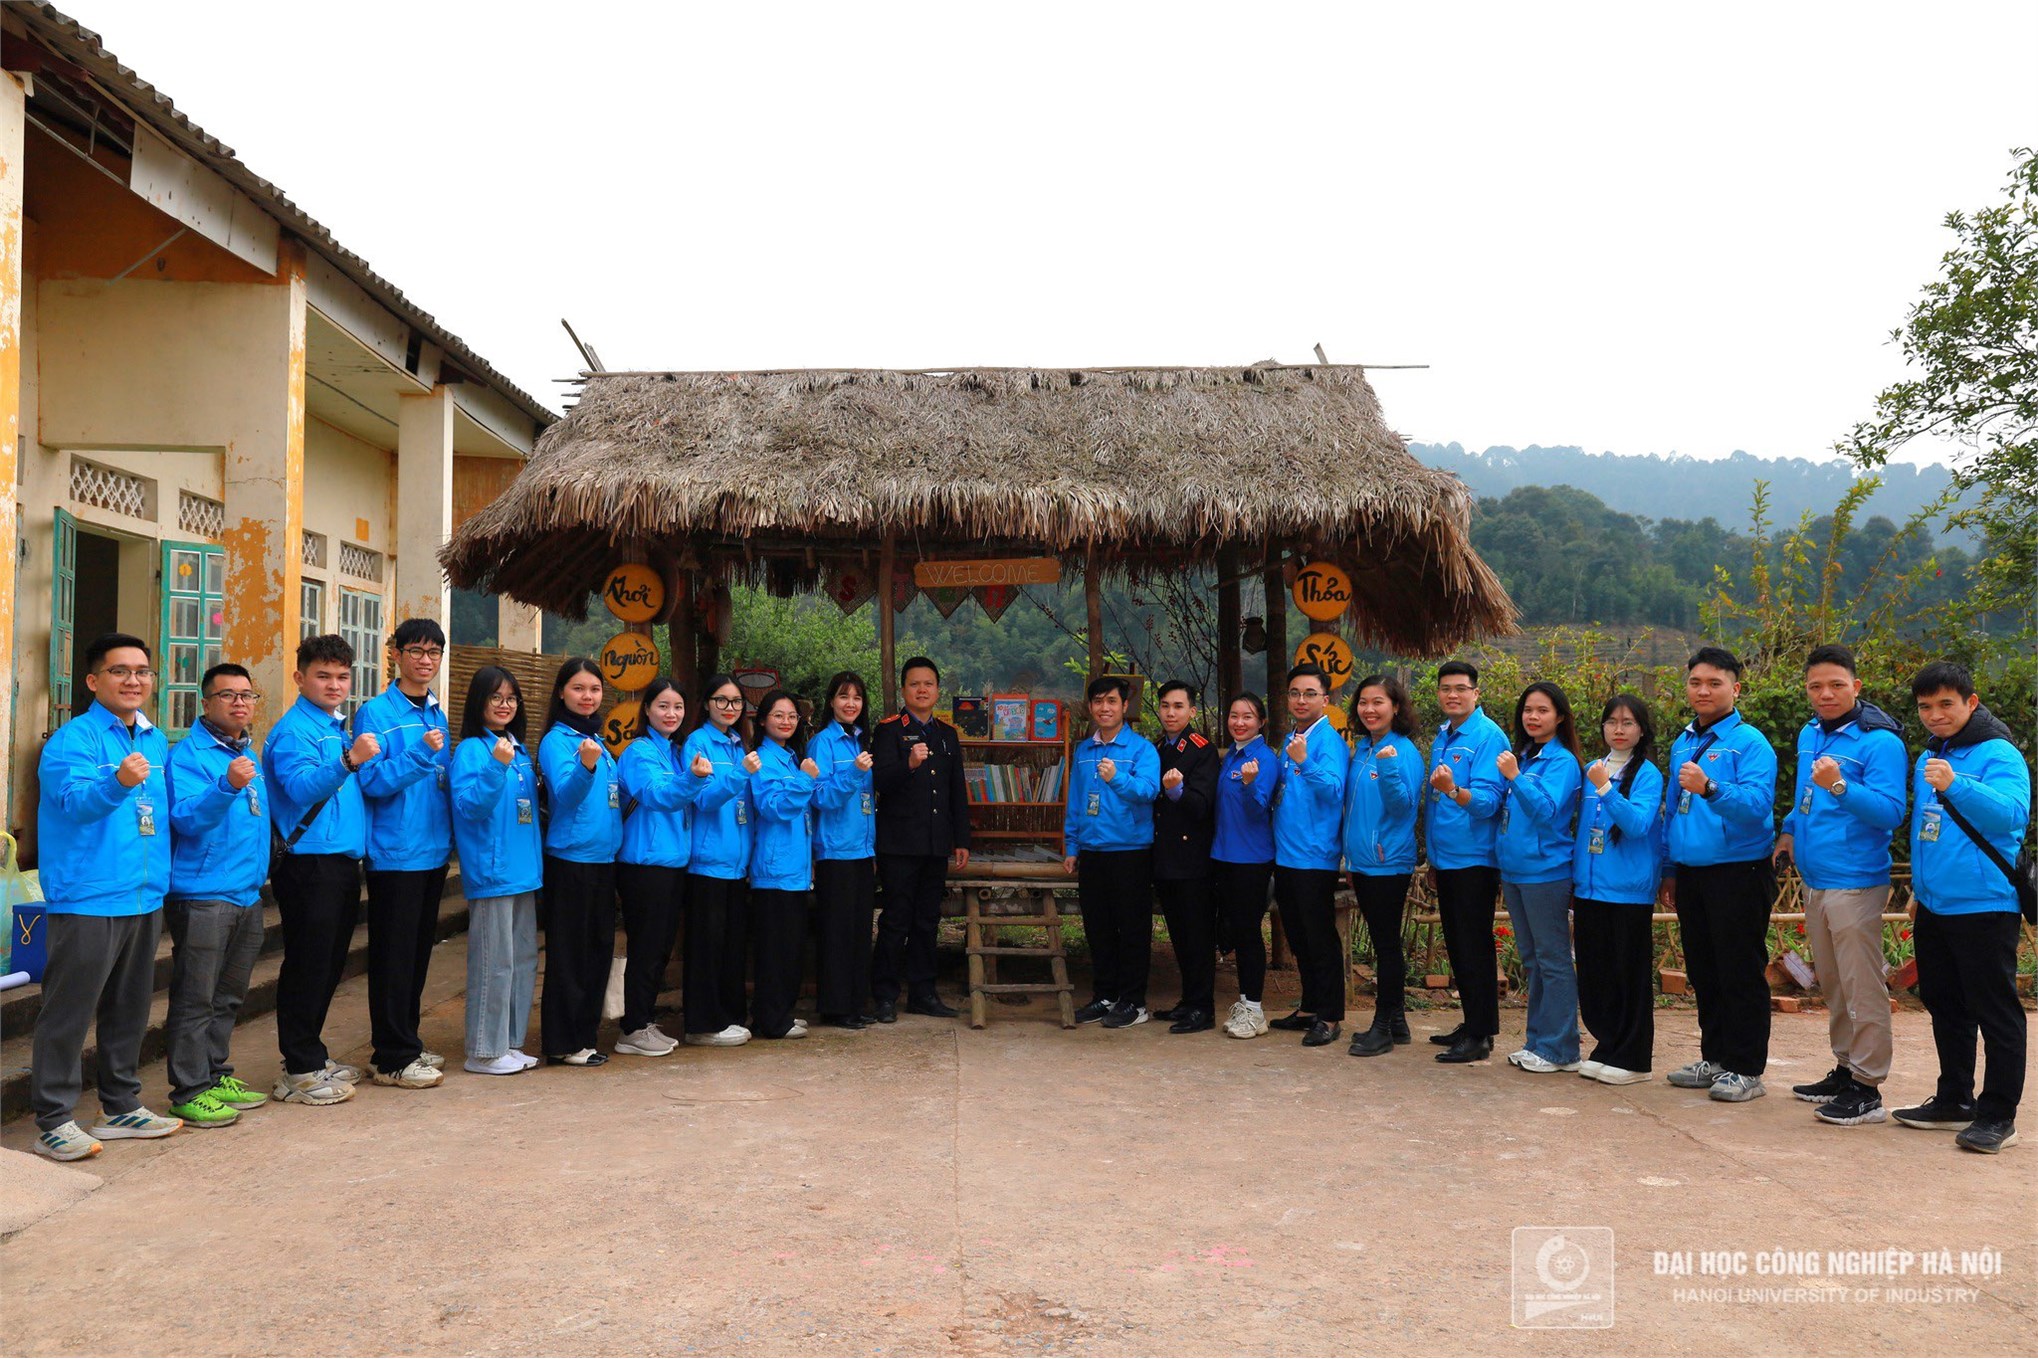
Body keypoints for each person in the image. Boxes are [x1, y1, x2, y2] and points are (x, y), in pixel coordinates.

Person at [30, 633, 183, 1160]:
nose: (134, 680)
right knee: (69, 1012)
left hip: (142, 894)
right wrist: (117, 782)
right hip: (88, 896)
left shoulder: (155, 739)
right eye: (120, 671)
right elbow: (72, 804)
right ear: (95, 681)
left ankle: (120, 1105)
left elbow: (160, 817)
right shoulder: (72, 741)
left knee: (130, 1008)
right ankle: (53, 1118)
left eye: (142, 671)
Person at [1892, 661, 2029, 1154]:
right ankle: (1954, 1100)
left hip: (1985, 905)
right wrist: (1918, 890)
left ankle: (1999, 1117)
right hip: (1935, 904)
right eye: (1925, 707)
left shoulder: (1999, 752)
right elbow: (1930, 831)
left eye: (1946, 704)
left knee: (1996, 1012)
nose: (1935, 715)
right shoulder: (1935, 751)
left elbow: (2012, 816)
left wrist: (1956, 783)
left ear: (1971, 703)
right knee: (1945, 1004)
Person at [1777, 645, 1908, 1126]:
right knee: (1831, 981)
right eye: (1815, 686)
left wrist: (1840, 786)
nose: (1825, 694)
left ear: (1857, 686)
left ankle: (1868, 1087)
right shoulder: (1810, 733)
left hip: (1855, 881)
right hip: (1816, 878)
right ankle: (1845, 1066)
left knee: (1861, 985)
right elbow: (1804, 795)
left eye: (1836, 684)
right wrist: (1789, 830)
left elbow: (1892, 811)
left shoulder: (1880, 742)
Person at [1660, 646, 1780, 1103]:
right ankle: (1716, 1058)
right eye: (1696, 682)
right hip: (1692, 873)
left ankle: (1747, 1067)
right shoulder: (1683, 741)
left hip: (1738, 872)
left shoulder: (1750, 743)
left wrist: (1710, 787)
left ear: (1735, 688)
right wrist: (1670, 868)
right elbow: (1672, 810)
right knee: (1705, 968)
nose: (1704, 690)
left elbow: (1755, 808)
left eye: (1714, 682)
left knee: (1740, 970)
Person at [265, 633, 379, 1105]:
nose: (334, 685)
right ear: (300, 677)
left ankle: (311, 1053)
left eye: (342, 677)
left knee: (328, 963)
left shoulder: (334, 725)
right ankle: (298, 1068)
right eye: (323, 675)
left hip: (338, 862)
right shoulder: (296, 730)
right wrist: (348, 760)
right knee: (308, 964)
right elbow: (298, 788)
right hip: (309, 864)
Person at [161, 663, 272, 1129]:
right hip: (203, 894)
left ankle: (215, 1071)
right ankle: (189, 1089)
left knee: (229, 995)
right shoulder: (188, 756)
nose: (240, 703)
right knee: (195, 996)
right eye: (228, 695)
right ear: (205, 703)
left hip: (245, 892)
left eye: (247, 695)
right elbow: (186, 819)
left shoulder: (249, 752)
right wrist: (226, 784)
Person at [351, 619, 451, 1091]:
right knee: (393, 957)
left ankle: (406, 1039)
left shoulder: (436, 712)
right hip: (395, 853)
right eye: (416, 650)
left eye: (434, 651)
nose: (425, 659)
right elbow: (371, 781)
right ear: (395, 653)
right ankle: (391, 1055)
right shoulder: (375, 713)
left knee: (415, 955)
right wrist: (416, 757)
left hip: (432, 852)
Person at [449, 666, 543, 1076]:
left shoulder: (517, 750)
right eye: (496, 698)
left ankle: (509, 1042)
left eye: (511, 698)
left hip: (524, 871)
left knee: (522, 959)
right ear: (479, 703)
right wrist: (495, 766)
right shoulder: (472, 750)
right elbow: (470, 808)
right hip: (493, 872)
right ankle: (483, 1050)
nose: (505, 705)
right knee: (494, 962)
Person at [1571, 694, 1666, 1086]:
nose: (1619, 730)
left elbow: (1638, 825)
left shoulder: (1647, 774)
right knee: (1596, 974)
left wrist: (1607, 789)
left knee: (1629, 974)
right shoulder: (1594, 768)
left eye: (1627, 723)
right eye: (1611, 722)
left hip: (1627, 891)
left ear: (1641, 729)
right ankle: (1607, 1045)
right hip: (1590, 888)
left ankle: (1634, 1057)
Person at [871, 657, 971, 1022]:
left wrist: (961, 838)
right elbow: (879, 782)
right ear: (903, 690)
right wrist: (908, 764)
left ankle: (923, 994)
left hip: (934, 844)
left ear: (938, 690)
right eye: (915, 684)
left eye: (929, 683)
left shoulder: (947, 734)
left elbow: (955, 790)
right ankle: (884, 996)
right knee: (896, 920)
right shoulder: (888, 731)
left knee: (928, 921)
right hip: (898, 844)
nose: (922, 690)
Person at [1063, 674, 1162, 1028]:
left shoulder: (1142, 750)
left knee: (1132, 929)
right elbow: (1076, 801)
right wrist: (1072, 845)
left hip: (1130, 852)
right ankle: (1104, 997)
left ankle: (1133, 1002)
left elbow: (1149, 791)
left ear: (1124, 707)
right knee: (1098, 928)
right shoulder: (1084, 750)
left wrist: (1116, 778)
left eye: (1112, 702)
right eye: (1098, 702)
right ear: (1090, 707)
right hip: (1092, 852)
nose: (1105, 708)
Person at [537, 657, 623, 1067]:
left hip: (602, 861)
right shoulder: (557, 741)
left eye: (594, 689)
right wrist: (586, 766)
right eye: (578, 689)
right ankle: (561, 1041)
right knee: (569, 955)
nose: (587, 697)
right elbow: (566, 798)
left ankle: (584, 1038)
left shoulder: (598, 740)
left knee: (597, 951)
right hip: (571, 862)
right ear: (561, 693)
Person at [1421, 660, 1507, 1064]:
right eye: (1445, 688)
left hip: (1475, 860)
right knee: (1458, 944)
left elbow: (1489, 802)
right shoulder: (1445, 735)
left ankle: (1481, 1034)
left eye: (1460, 688)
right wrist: (1435, 860)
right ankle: (1472, 1020)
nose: (1452, 695)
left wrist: (1454, 789)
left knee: (1474, 945)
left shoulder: (1487, 736)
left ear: (1476, 692)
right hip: (1449, 859)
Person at [1496, 682, 1584, 1074]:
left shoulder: (1561, 762)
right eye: (1528, 710)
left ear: (1560, 717)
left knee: (1553, 960)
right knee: (1533, 960)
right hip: (1516, 871)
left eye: (1542, 710)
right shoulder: (1527, 758)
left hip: (1545, 872)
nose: (1533, 717)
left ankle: (1560, 1049)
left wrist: (1516, 777)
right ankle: (1538, 1041)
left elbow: (1546, 811)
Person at [614, 677, 704, 1057]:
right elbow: (657, 795)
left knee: (660, 947)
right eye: (663, 706)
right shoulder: (639, 752)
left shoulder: (674, 752)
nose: (672, 713)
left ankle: (643, 1019)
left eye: (678, 707)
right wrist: (692, 778)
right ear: (647, 709)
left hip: (671, 864)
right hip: (644, 865)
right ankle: (632, 1027)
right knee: (646, 946)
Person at [1271, 663, 1350, 1048]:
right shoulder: (1294, 737)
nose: (1301, 701)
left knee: (1319, 939)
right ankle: (1309, 1006)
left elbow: (1335, 791)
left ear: (1326, 699)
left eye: (1309, 694)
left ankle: (1331, 1016)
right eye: (1295, 694)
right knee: (1300, 938)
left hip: (1314, 857)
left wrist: (1305, 761)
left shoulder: (1327, 742)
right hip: (1286, 855)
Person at [1342, 674, 1421, 1057]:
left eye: (1378, 702)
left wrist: (1388, 769)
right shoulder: (1362, 749)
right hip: (1364, 863)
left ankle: (1382, 1028)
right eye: (1363, 702)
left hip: (1388, 863)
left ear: (1396, 707)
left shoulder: (1402, 751)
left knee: (1386, 946)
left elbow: (1404, 807)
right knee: (1381, 941)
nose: (1369, 709)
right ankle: (1400, 1022)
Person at [679, 674, 754, 1047]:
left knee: (729, 945)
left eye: (736, 702)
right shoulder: (698, 742)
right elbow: (704, 799)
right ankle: (702, 1025)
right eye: (722, 700)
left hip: (736, 863)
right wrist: (740, 774)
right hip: (708, 861)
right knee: (706, 947)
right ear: (707, 704)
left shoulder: (738, 745)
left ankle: (725, 1017)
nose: (729, 708)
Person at [748, 689, 820, 1040]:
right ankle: (771, 1019)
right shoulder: (762, 759)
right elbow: (772, 807)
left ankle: (781, 1014)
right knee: (774, 950)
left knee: (790, 946)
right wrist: (805, 779)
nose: (787, 721)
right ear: (762, 720)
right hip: (773, 868)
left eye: (792, 716)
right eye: (779, 715)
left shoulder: (790, 758)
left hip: (794, 868)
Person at [810, 672, 879, 1030]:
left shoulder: (861, 741)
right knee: (836, 933)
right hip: (835, 852)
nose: (850, 703)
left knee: (858, 931)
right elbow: (819, 797)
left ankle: (855, 1003)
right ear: (831, 702)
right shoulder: (823, 743)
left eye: (857, 697)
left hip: (862, 851)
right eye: (843, 696)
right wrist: (853, 773)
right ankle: (836, 1008)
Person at [1151, 680, 1221, 1034]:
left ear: (1192, 711)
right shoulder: (1158, 746)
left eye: (1178, 706)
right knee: (1178, 932)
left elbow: (1201, 805)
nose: (1171, 713)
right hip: (1164, 856)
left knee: (1197, 934)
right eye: (1165, 705)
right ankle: (1188, 1000)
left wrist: (1176, 792)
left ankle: (1203, 1007)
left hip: (1192, 857)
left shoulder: (1202, 750)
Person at [1213, 694, 1282, 1039]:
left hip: (1251, 858)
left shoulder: (1264, 759)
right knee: (1236, 931)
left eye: (1248, 717)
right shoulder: (1232, 756)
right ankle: (1244, 1003)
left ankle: (1254, 1009)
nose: (1239, 722)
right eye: (1234, 715)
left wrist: (1249, 783)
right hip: (1225, 855)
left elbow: (1258, 812)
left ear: (1261, 722)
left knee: (1249, 933)